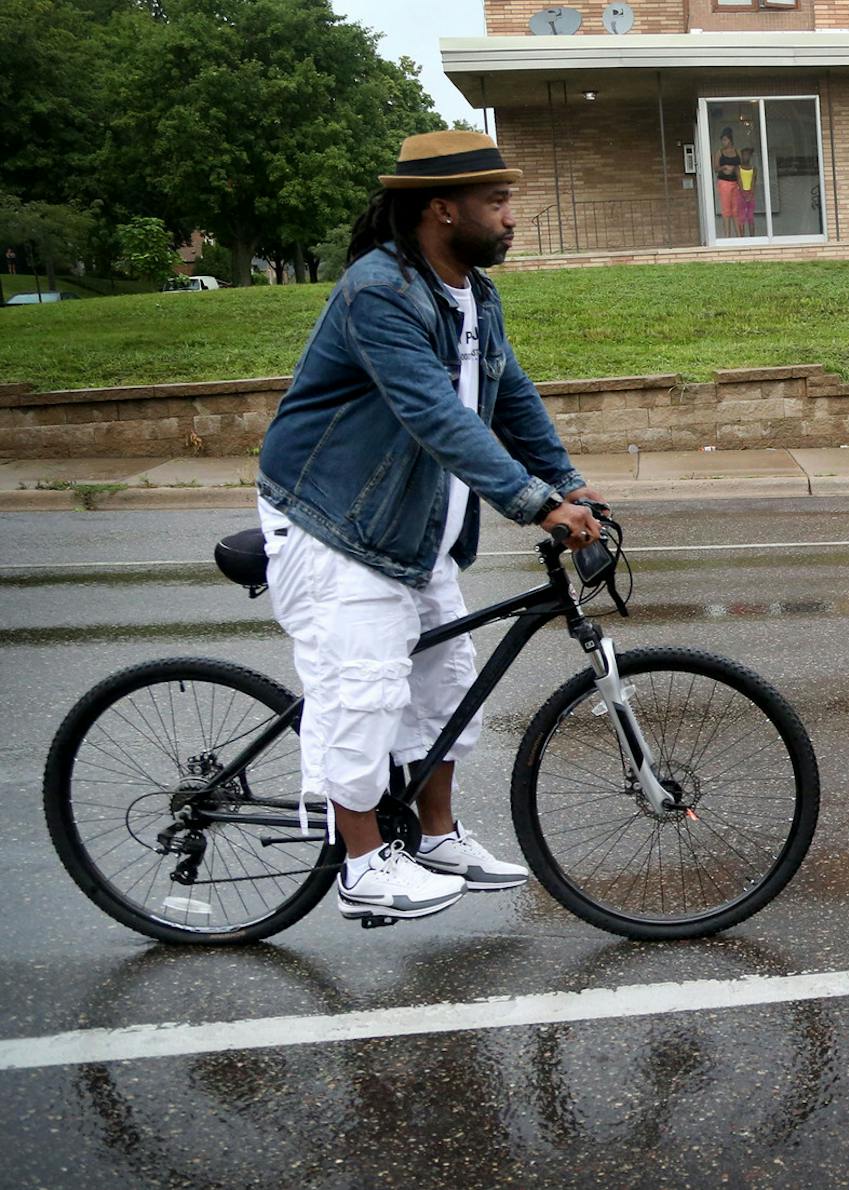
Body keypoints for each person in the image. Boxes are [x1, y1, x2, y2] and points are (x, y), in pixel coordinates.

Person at [255, 131, 606, 926]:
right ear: (442, 209)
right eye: (497, 202)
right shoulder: (377, 290)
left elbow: (509, 394)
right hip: (336, 521)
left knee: (448, 682)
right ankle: (362, 860)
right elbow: (433, 413)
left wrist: (570, 483)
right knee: (366, 688)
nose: (512, 218)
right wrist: (533, 504)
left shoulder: (475, 295)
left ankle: (436, 835)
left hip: (413, 529)